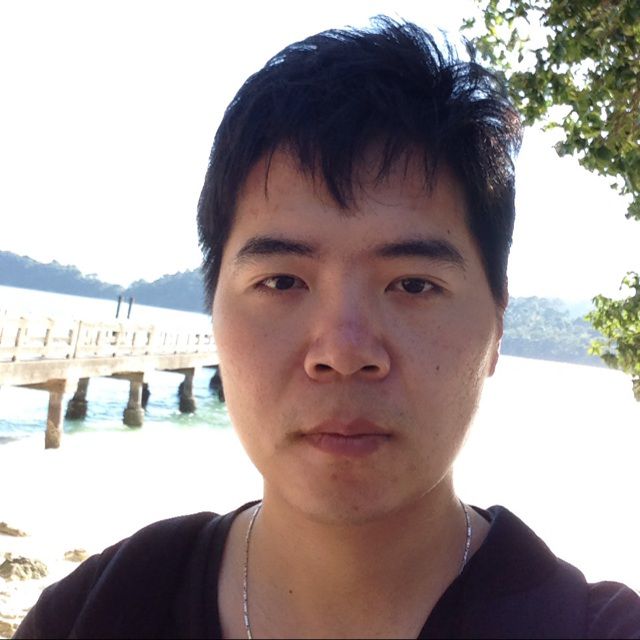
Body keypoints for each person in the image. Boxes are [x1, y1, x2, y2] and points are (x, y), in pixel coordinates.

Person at [15, 16, 640, 639]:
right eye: (282, 282)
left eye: (413, 285)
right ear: (215, 306)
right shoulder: (91, 614)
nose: (342, 351)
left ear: (497, 322)